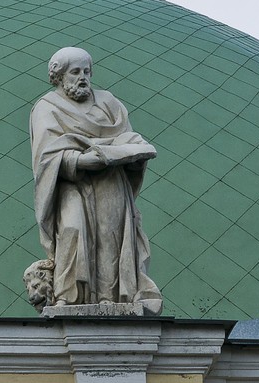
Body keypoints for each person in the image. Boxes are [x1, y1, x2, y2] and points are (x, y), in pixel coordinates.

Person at [29, 47, 161, 312]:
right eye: (75, 72)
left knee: (110, 236)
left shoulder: (108, 103)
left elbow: (127, 137)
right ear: (59, 76)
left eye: (86, 72)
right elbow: (46, 157)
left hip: (111, 180)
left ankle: (109, 298)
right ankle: (68, 296)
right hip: (72, 183)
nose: (83, 78)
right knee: (72, 229)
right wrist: (81, 161)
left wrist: (133, 155)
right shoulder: (47, 107)